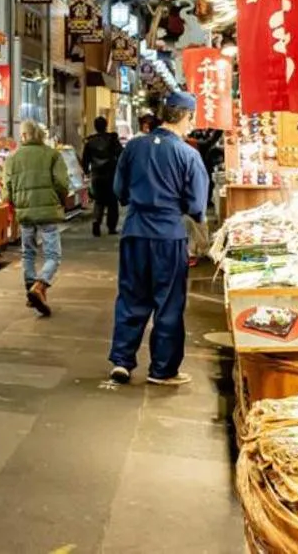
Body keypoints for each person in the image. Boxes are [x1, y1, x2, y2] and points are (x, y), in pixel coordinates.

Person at [108, 91, 209, 386]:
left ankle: (122, 361)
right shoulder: (188, 154)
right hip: (168, 235)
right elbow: (197, 206)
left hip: (135, 231)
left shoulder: (134, 147)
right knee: (168, 302)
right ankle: (162, 369)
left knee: (131, 297)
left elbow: (119, 190)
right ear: (187, 116)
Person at [4, 119, 70, 317]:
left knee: (28, 253)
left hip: (24, 211)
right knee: (53, 255)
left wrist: (14, 204)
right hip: (47, 211)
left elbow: (7, 189)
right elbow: (61, 184)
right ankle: (40, 286)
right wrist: (59, 199)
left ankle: (32, 289)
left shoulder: (13, 158)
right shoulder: (52, 155)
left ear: (23, 136)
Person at [80, 116, 123, 236]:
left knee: (99, 201)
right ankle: (111, 227)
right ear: (106, 125)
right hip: (111, 174)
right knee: (112, 202)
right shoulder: (112, 139)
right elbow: (121, 154)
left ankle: (96, 222)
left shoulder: (90, 142)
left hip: (96, 175)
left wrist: (86, 173)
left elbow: (85, 161)